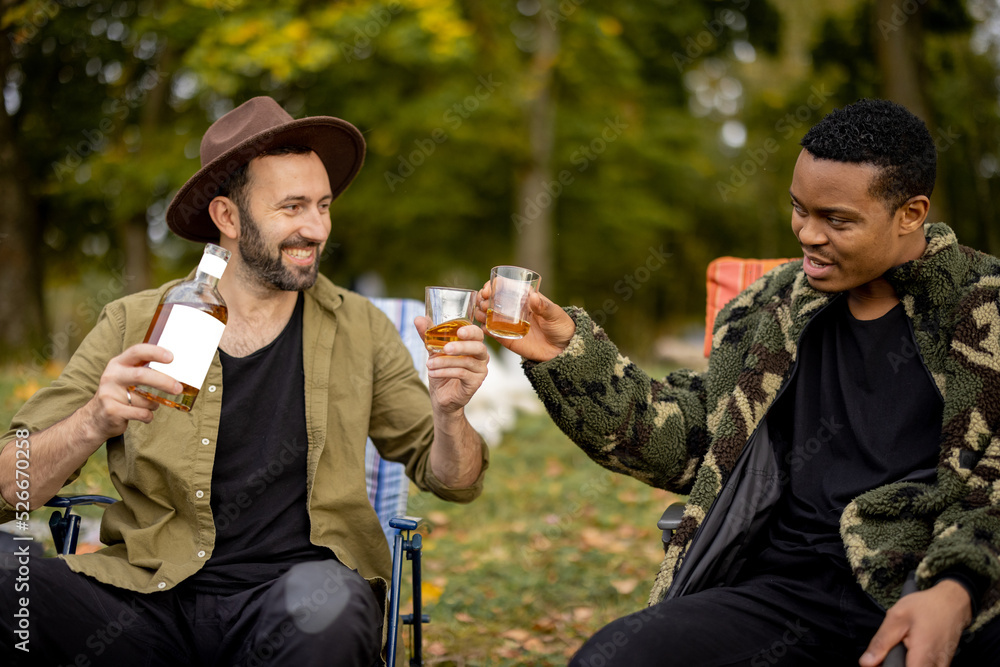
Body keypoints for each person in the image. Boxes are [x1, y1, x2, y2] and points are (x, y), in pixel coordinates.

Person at [478, 98, 1000, 666]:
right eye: (799, 208)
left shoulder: (983, 308)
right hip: (783, 597)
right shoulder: (768, 306)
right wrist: (566, 355)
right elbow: (695, 442)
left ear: (911, 212)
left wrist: (954, 588)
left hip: (930, 587)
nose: (808, 234)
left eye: (837, 219)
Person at [0, 96, 490, 667]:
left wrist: (450, 414)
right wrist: (92, 421)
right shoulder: (135, 322)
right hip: (145, 603)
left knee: (325, 607)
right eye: (292, 207)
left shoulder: (362, 329)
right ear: (227, 218)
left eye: (324, 205)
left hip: (292, 605)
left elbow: (456, 481)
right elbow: (14, 484)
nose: (316, 227)